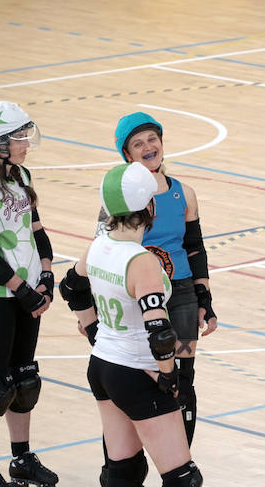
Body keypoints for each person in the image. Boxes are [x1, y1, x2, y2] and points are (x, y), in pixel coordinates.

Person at [58, 161, 204, 487]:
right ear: (148, 206)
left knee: (123, 472)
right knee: (183, 479)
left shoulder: (97, 247)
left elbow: (70, 288)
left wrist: (95, 331)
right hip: (138, 371)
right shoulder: (141, 261)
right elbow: (161, 335)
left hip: (103, 367)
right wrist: (169, 376)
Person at [95, 111, 217, 448]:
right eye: (139, 143)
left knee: (183, 381)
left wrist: (203, 300)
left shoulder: (184, 193)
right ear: (127, 154)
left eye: (153, 139)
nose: (149, 146)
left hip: (179, 296)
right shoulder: (118, 197)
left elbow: (195, 249)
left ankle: (180, 460)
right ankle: (122, 462)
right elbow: (103, 246)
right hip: (136, 293)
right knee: (132, 378)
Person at [0, 101, 59, 487]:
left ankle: (21, 459)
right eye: (19, 137)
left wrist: (47, 278)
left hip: (27, 294)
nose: (26, 143)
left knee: (25, 381)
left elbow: (36, 231)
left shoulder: (21, 175)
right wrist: (23, 291)